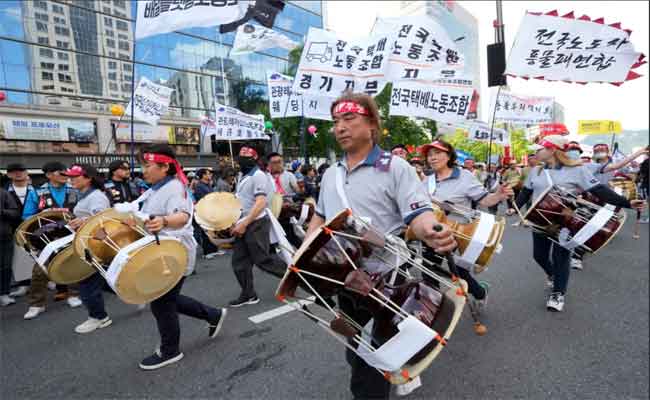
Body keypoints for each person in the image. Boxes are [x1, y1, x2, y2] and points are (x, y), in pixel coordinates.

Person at [306, 92, 456, 400]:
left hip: (388, 277)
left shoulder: (396, 167)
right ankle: (394, 366)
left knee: (368, 364)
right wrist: (306, 252)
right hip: (345, 280)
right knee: (355, 349)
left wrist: (431, 231)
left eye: (349, 119)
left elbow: (419, 214)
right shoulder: (330, 174)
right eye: (336, 122)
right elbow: (319, 218)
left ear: (372, 125)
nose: (340, 128)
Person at [511, 135, 644, 312]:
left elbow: (599, 190)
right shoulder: (537, 171)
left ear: (552, 150)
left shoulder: (577, 170)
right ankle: (553, 275)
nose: (535, 152)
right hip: (540, 219)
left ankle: (558, 293)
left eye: (539, 148)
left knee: (561, 257)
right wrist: (515, 208)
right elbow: (526, 192)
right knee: (539, 256)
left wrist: (626, 203)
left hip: (566, 221)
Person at [135, 144, 227, 370]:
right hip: (161, 251)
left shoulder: (176, 188)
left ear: (164, 166)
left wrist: (164, 221)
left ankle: (170, 350)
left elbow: (183, 216)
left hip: (175, 253)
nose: (143, 170)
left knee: (161, 302)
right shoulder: (154, 188)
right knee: (166, 299)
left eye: (147, 165)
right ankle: (213, 314)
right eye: (142, 165)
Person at [420, 139, 513, 310]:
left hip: (460, 233)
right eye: (429, 155)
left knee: (460, 273)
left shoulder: (464, 176)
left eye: (437, 153)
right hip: (431, 233)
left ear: (449, 156)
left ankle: (480, 292)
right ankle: (432, 310)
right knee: (428, 270)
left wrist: (498, 195)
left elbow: (484, 199)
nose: (432, 158)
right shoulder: (426, 180)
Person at [23, 161, 82, 320]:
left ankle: (74, 294)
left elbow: (84, 210)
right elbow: (26, 216)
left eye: (66, 172)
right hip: (47, 236)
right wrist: (43, 215)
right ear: (49, 175)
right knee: (40, 269)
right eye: (60, 172)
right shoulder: (36, 192)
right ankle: (36, 304)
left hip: (71, 233)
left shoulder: (75, 189)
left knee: (74, 264)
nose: (65, 176)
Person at [229, 146, 287, 307]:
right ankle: (248, 294)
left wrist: (245, 223)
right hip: (243, 222)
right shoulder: (243, 175)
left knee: (263, 259)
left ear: (254, 159)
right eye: (240, 157)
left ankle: (296, 278)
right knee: (239, 262)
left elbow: (260, 203)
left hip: (256, 223)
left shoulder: (258, 175)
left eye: (245, 157)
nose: (241, 161)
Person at [61, 165, 113, 333]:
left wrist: (82, 221)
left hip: (94, 244)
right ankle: (134, 292)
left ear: (88, 178)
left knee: (86, 282)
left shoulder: (97, 197)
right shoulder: (84, 195)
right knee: (100, 279)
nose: (71, 180)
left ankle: (99, 317)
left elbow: (103, 221)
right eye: (70, 176)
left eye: (76, 176)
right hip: (87, 242)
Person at [4, 163, 35, 297]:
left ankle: (47, 280)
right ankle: (24, 284)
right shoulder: (5, 191)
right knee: (19, 256)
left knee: (39, 253)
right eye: (14, 171)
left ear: (27, 172)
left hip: (35, 228)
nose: (18, 173)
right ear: (9, 174)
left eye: (21, 170)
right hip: (13, 228)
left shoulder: (36, 190)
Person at [193, 168, 223, 259]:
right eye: (208, 174)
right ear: (203, 175)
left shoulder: (208, 185)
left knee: (213, 231)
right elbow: (203, 200)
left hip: (211, 211)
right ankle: (207, 252)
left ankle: (214, 250)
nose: (210, 175)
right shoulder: (199, 186)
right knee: (206, 232)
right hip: (204, 211)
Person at [0, 186, 20, 306]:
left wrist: (2, 212)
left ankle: (3, 294)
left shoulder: (4, 193)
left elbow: (15, 213)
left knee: (5, 267)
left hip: (4, 237)